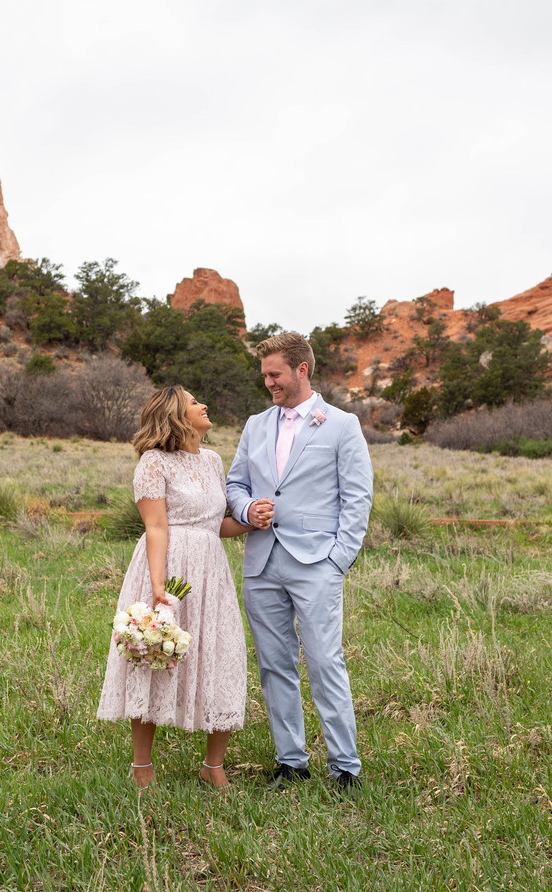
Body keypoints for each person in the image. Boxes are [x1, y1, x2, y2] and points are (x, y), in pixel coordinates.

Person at [97, 385, 271, 789]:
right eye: (194, 402)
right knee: (153, 655)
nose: (203, 405)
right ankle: (142, 766)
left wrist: (251, 521)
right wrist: (158, 587)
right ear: (175, 414)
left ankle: (213, 766)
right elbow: (156, 526)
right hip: (167, 567)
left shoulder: (212, 461)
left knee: (221, 654)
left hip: (211, 571)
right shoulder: (154, 462)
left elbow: (214, 526)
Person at [226, 332, 374, 795]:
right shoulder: (255, 425)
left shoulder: (342, 425)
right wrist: (247, 509)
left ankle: (344, 767)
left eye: (275, 374)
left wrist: (338, 560)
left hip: (317, 563)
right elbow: (234, 484)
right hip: (262, 561)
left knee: (325, 661)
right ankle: (291, 762)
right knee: (274, 665)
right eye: (264, 375)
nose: (268, 382)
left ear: (301, 369)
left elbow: (357, 497)